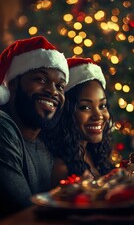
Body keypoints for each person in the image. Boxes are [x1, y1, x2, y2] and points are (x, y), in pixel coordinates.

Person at [0, 36, 69, 218]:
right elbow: (24, 212)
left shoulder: (44, 142)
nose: (53, 91)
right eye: (41, 79)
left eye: (60, 86)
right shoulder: (2, 126)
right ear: (13, 84)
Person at [46, 57, 114, 186]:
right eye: (85, 107)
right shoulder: (62, 167)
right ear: (66, 111)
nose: (98, 116)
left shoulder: (95, 153)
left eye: (102, 106)